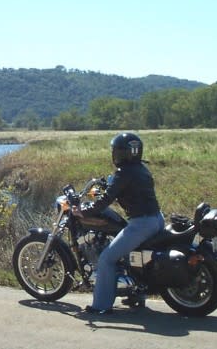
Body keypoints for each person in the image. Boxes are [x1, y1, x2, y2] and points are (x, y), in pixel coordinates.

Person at [76, 132, 164, 315]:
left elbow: (104, 202)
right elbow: (123, 188)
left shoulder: (123, 173)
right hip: (157, 219)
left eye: (115, 150)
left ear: (123, 153)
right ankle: (136, 295)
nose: (113, 153)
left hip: (141, 224)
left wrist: (81, 211)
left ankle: (101, 306)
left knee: (107, 259)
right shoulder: (141, 168)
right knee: (130, 256)